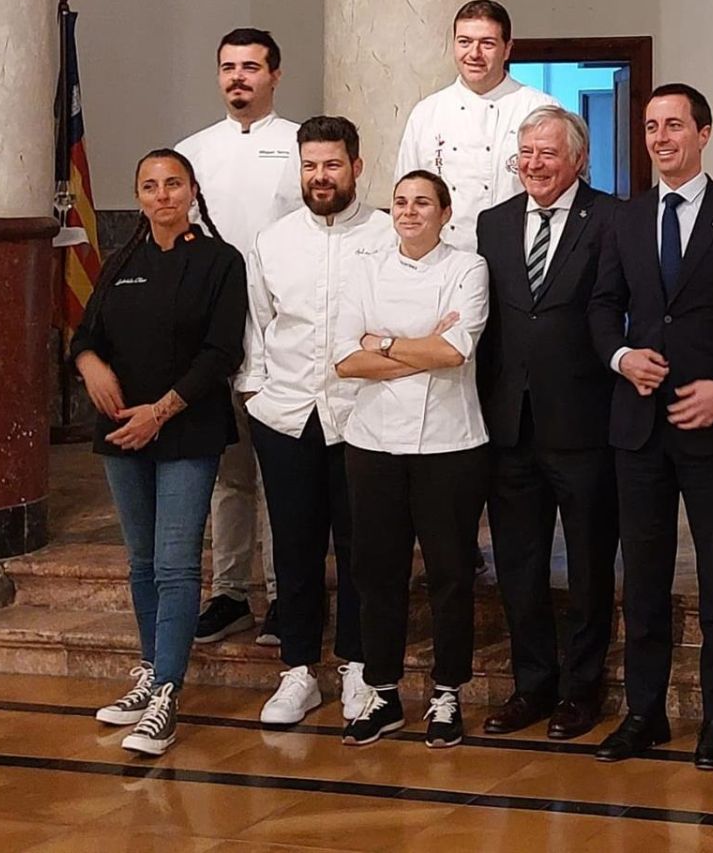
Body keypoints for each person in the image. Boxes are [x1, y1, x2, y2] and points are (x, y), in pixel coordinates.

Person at [589, 84, 713, 770]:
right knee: (642, 578)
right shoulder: (624, 218)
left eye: (674, 125)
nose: (661, 137)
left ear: (704, 132)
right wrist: (619, 354)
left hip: (711, 424)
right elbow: (603, 306)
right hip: (637, 424)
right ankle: (645, 713)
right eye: (650, 127)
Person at [76, 149, 247, 756]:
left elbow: (221, 353)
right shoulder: (121, 259)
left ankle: (167, 697)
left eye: (173, 183)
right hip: (121, 433)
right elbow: (85, 336)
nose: (162, 195)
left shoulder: (220, 262)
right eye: (149, 186)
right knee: (141, 563)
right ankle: (149, 672)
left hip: (184, 431)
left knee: (176, 566)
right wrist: (91, 365)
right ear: (139, 195)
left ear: (192, 190)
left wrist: (161, 411)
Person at [238, 116, 395, 726]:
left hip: (363, 415)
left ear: (357, 167)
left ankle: (359, 666)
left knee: (364, 549)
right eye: (310, 165)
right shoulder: (273, 241)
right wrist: (256, 396)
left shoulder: (387, 234)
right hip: (287, 414)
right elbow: (258, 325)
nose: (320, 176)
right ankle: (299, 670)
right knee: (294, 548)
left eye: (332, 165)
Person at [475, 106, 621, 740]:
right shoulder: (493, 223)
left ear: (578, 159)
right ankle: (531, 685)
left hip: (586, 424)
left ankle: (582, 691)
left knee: (589, 566)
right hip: (510, 426)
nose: (534, 165)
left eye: (547, 154)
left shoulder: (613, 219)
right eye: (525, 154)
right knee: (520, 565)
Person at [334, 171, 491, 749]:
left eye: (422, 202)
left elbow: (454, 352)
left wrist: (382, 343)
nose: (409, 212)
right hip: (372, 442)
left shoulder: (467, 269)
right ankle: (382, 691)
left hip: (449, 444)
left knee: (450, 573)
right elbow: (344, 361)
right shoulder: (365, 269)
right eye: (400, 202)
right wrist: (415, 347)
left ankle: (447, 692)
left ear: (445, 213)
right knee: (376, 573)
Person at [177, 27, 300, 648]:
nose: (238, 77)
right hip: (217, 340)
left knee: (281, 474)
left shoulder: (303, 145)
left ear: (275, 74)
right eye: (228, 66)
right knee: (229, 477)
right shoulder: (190, 153)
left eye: (251, 67)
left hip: (286, 338)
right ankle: (229, 593)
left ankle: (285, 595)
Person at [396, 0, 559, 253]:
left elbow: (565, 190)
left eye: (487, 43)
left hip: (521, 255)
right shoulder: (427, 113)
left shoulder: (540, 108)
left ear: (507, 49)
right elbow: (406, 193)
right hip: (444, 258)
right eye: (465, 42)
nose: (474, 54)